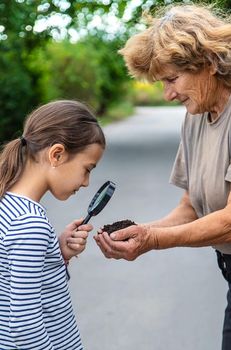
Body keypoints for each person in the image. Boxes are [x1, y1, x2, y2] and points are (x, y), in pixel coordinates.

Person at [94, 4, 231, 349]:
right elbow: (191, 205)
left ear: (209, 63)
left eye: (172, 79)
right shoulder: (196, 115)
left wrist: (153, 241)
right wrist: (140, 234)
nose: (168, 94)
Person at [0, 100, 105, 350]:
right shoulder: (30, 224)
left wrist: (57, 254)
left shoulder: (8, 205)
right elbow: (24, 326)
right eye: (87, 169)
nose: (87, 182)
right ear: (56, 154)